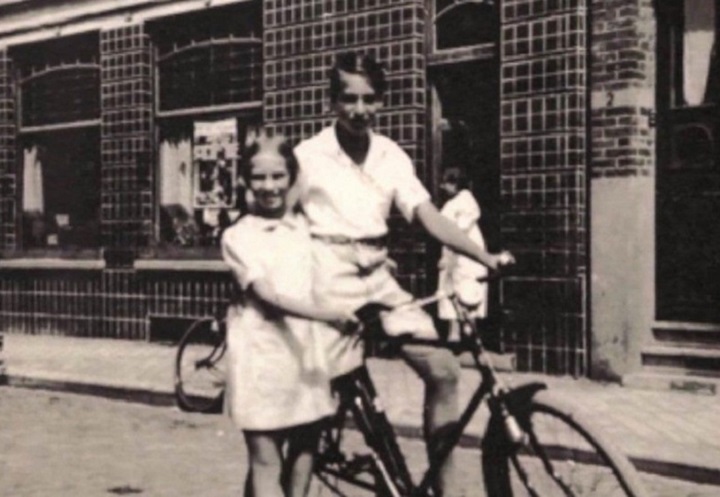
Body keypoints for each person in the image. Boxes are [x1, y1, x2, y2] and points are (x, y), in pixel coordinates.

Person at [292, 51, 514, 496]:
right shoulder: (308, 156)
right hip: (327, 279)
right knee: (314, 403)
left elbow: (428, 216)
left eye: (369, 99)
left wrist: (483, 256)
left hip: (378, 279)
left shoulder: (390, 155)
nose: (359, 110)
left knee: (444, 370)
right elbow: (279, 220)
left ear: (381, 101)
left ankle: (445, 491)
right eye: (349, 98)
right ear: (332, 101)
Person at [221, 132, 355, 497]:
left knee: (304, 449)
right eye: (259, 177)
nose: (269, 186)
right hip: (260, 357)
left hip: (305, 355)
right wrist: (327, 315)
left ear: (292, 177)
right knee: (266, 460)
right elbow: (267, 297)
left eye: (278, 176)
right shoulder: (238, 237)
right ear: (245, 180)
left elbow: (334, 263)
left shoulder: (306, 229)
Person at [436, 167, 489, 341]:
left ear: (455, 184)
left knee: (466, 291)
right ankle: (455, 334)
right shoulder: (453, 202)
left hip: (464, 251)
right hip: (454, 250)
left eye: (446, 183)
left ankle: (470, 335)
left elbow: (459, 231)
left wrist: (448, 255)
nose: (443, 187)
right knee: (451, 291)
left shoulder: (466, 201)